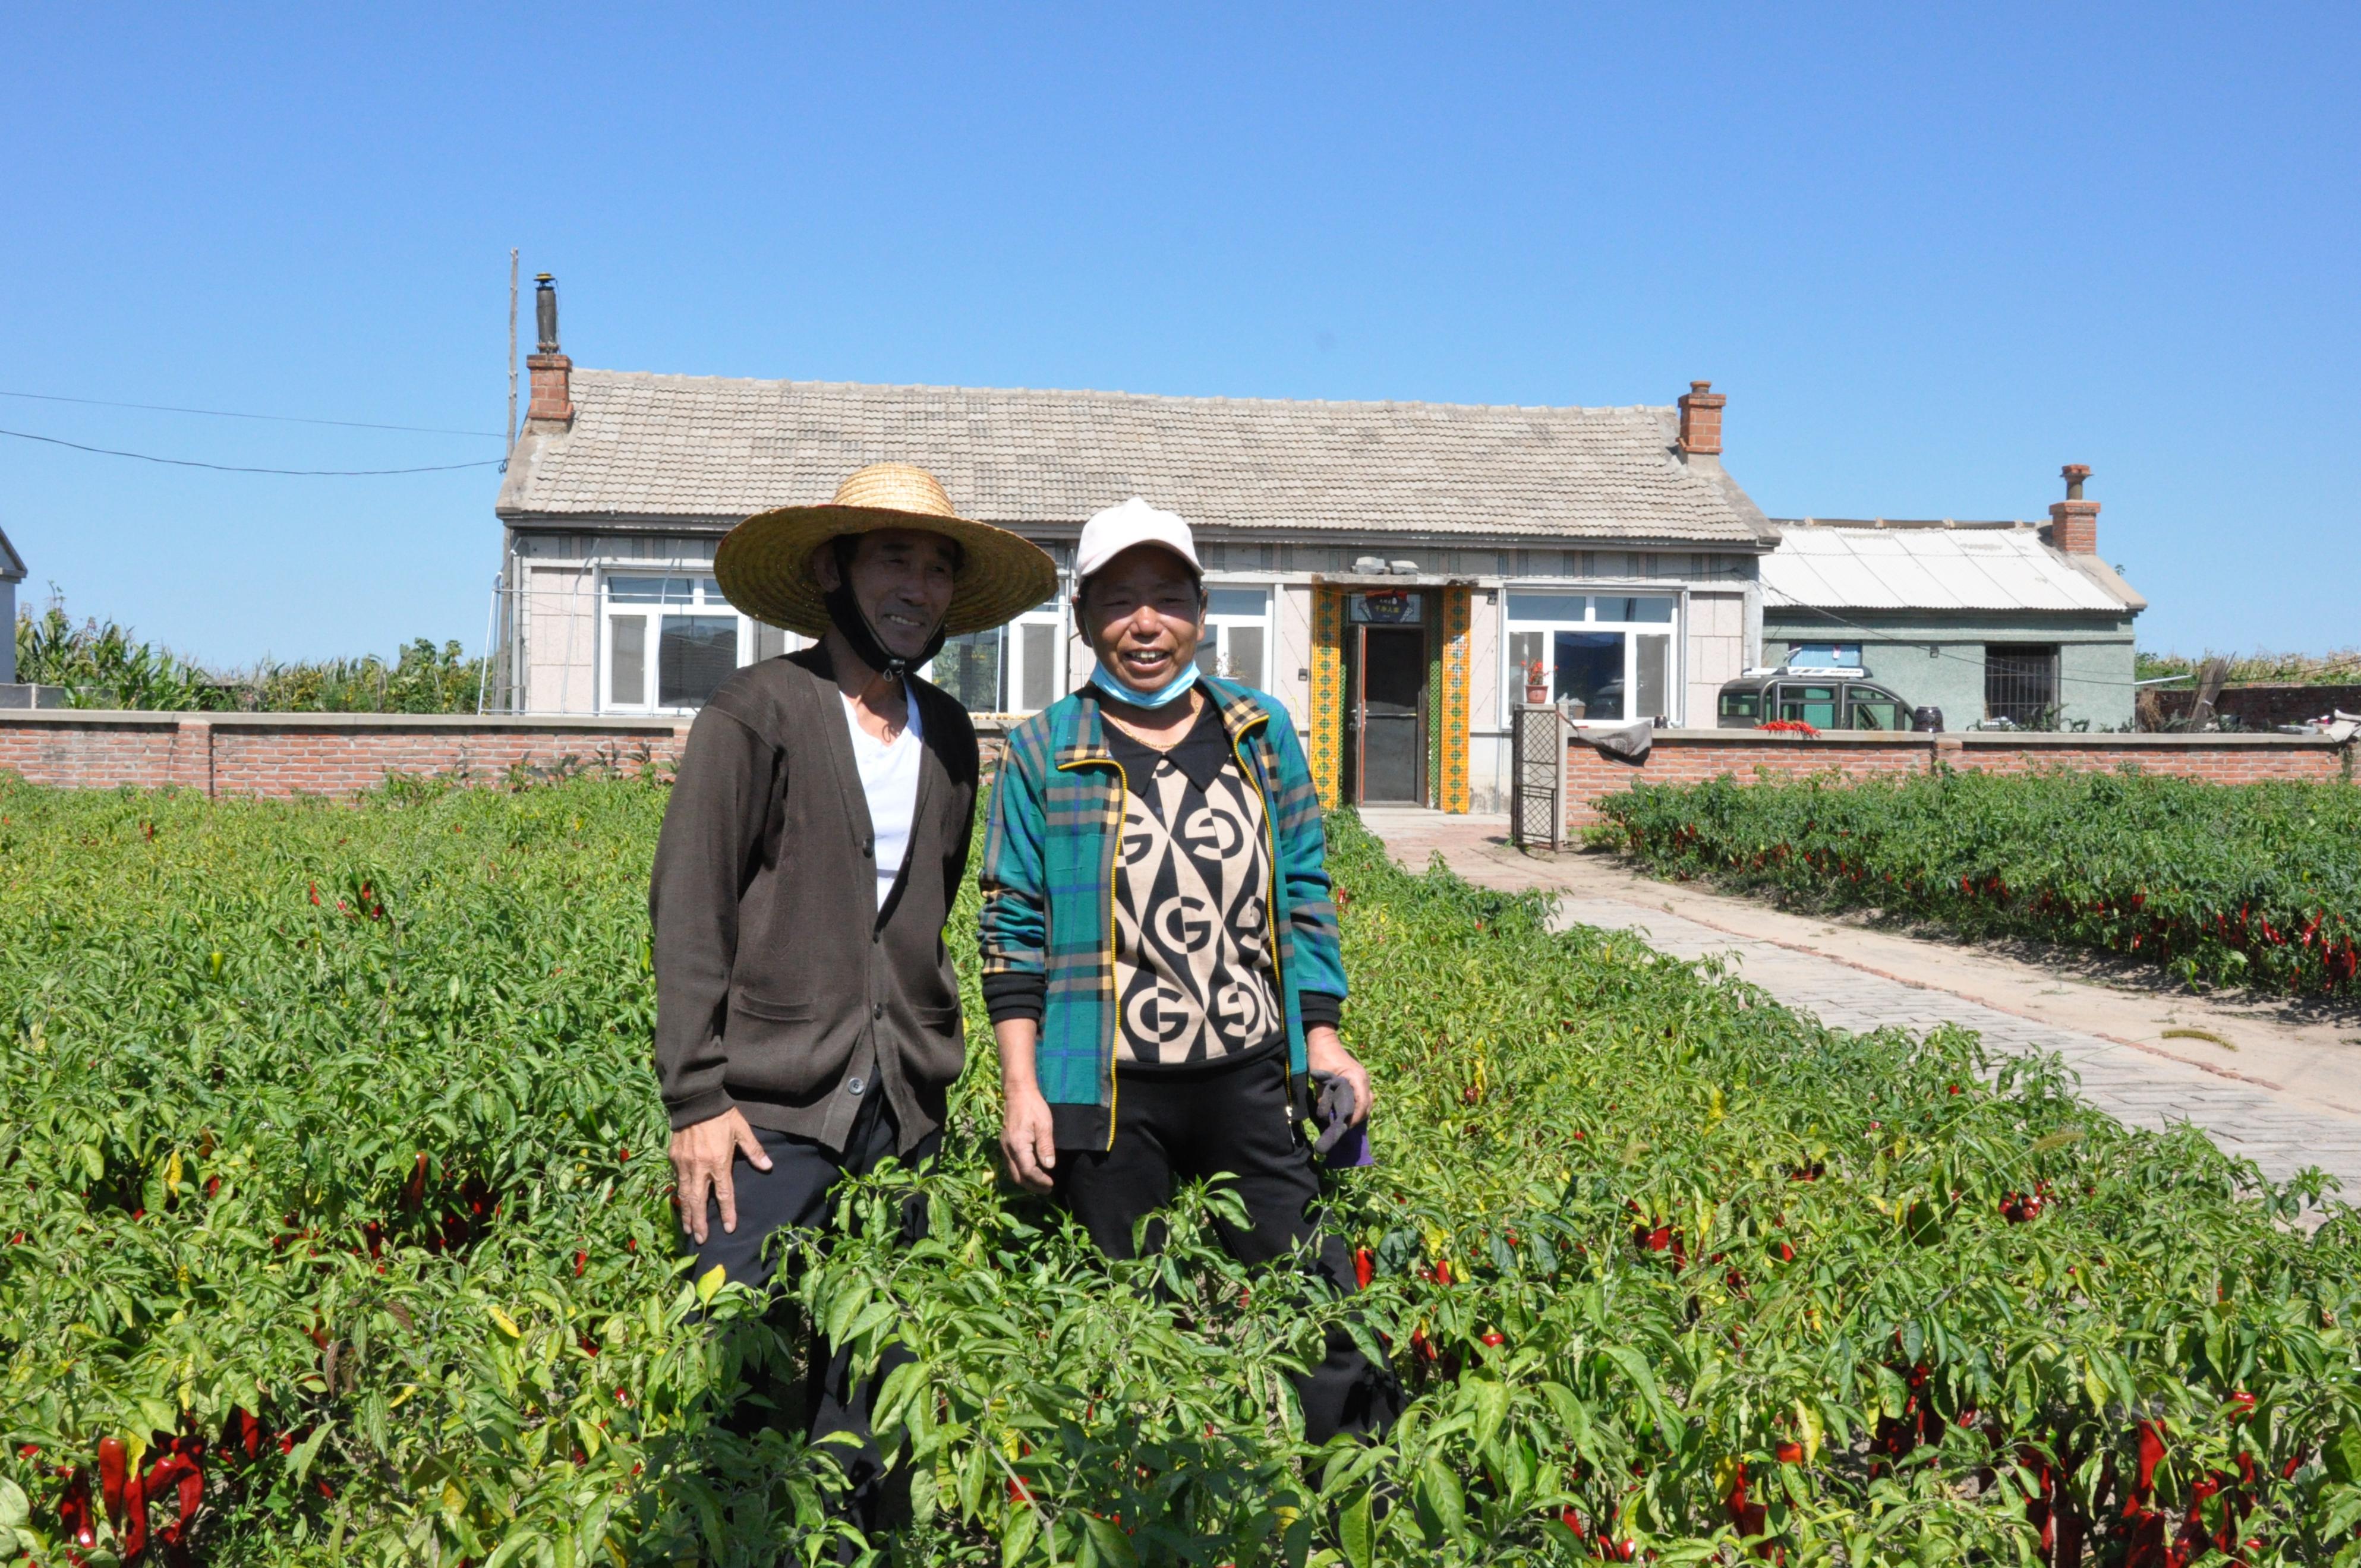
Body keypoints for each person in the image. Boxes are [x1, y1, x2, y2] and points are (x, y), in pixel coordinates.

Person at [651, 462, 1056, 1526]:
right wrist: (695, 1097)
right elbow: (691, 909)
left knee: (873, 1389)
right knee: (733, 1378)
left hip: (903, 1110)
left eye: (935, 568)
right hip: (767, 1113)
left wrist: (919, 1046)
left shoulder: (953, 737)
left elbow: (922, 910)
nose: (917, 587)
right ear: (833, 570)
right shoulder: (759, 712)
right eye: (893, 559)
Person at [977, 496, 1402, 1444]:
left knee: (1317, 1300)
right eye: (1118, 599)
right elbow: (1012, 922)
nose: (1144, 623)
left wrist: (1321, 1038)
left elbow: (1302, 885)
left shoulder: (1259, 731)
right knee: (1125, 1322)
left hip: (1246, 1073)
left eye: (1166, 598)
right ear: (1082, 616)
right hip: (1106, 1088)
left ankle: (1358, 1496)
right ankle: (1149, 1507)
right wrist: (1020, 1087)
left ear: (1199, 612)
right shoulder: (1046, 750)